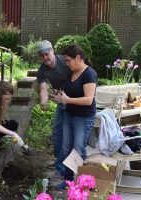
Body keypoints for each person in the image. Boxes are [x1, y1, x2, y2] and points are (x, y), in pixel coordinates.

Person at [53, 44, 97, 190]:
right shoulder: (70, 72)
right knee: (66, 148)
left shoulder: (89, 74)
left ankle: (81, 183)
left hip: (83, 118)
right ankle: (67, 181)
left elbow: (88, 100)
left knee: (78, 149)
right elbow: (68, 91)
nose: (66, 63)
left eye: (68, 60)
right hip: (69, 114)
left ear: (78, 58)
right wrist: (59, 96)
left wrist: (67, 100)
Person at [36, 40, 70, 178]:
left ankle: (64, 169)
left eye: (46, 54)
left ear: (52, 51)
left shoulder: (65, 61)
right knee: (57, 135)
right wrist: (43, 102)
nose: (45, 58)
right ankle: (60, 164)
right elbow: (43, 88)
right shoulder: (42, 71)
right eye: (41, 56)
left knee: (68, 137)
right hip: (61, 102)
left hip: (75, 101)